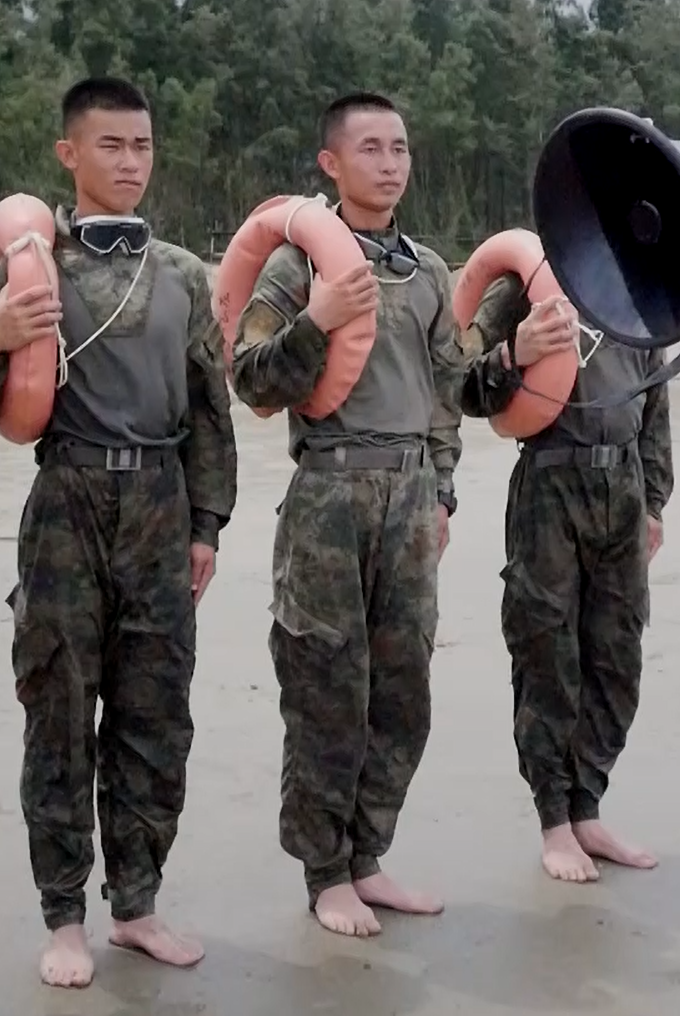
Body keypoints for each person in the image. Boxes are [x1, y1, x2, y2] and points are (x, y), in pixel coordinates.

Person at [0, 76, 239, 989]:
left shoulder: (185, 273)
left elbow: (208, 412)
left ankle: (138, 904)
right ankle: (64, 916)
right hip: (67, 500)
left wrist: (208, 524)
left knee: (157, 717)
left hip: (159, 505)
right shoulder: (34, 266)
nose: (130, 163)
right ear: (69, 154)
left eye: (143, 146)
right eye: (110, 146)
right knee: (60, 715)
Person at [229, 91, 466, 938]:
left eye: (400, 147)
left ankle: (370, 855)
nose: (390, 162)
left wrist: (442, 489)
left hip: (408, 498)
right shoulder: (299, 264)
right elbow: (252, 378)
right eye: (370, 148)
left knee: (404, 690)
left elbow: (446, 392)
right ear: (330, 162)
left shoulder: (429, 270)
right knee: (326, 685)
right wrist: (317, 322)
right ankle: (324, 871)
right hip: (329, 491)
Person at [458, 277, 673, 882]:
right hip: (550, 483)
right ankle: (554, 819)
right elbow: (460, 383)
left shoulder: (636, 286)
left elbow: (655, 401)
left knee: (617, 656)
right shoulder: (524, 284)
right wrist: (512, 354)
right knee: (546, 652)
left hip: (623, 487)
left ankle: (587, 808)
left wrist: (654, 501)